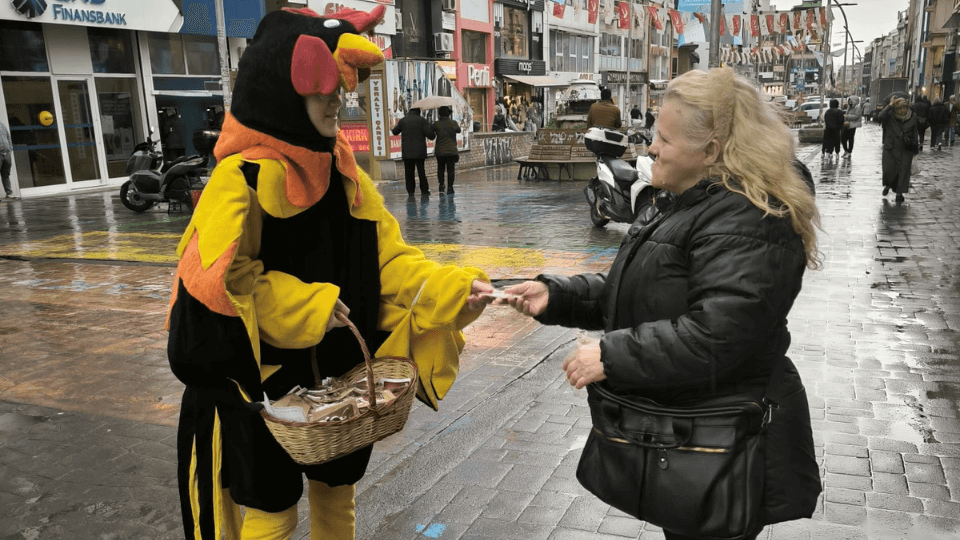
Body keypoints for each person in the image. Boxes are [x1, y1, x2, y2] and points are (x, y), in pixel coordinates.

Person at [165, 7, 494, 540]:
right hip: (264, 387)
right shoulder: (240, 179)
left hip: (336, 382)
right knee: (272, 511)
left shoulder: (342, 170)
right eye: (326, 92)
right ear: (283, 94)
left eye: (341, 91)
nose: (340, 102)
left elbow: (389, 259)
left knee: (337, 495)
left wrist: (456, 289)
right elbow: (221, 285)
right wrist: (308, 306)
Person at [496, 67, 821, 540]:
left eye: (664, 140)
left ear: (710, 151)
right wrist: (557, 295)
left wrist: (611, 355)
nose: (650, 148)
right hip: (688, 430)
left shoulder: (750, 216)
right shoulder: (685, 200)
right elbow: (638, 291)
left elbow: (717, 336)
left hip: (723, 439)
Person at [879, 96, 919, 203]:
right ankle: (888, 185)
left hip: (906, 148)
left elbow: (915, 132)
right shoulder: (890, 115)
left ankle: (899, 194)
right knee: (889, 170)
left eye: (904, 108)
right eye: (900, 108)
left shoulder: (913, 116)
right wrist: (890, 105)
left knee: (903, 172)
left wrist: (916, 147)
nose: (902, 110)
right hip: (891, 148)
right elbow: (880, 116)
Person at [391, 107, 435, 197]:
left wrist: (392, 127)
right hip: (420, 152)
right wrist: (431, 128)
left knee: (408, 172)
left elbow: (395, 132)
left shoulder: (403, 121)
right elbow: (431, 136)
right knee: (421, 171)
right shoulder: (422, 121)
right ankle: (424, 190)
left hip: (407, 152)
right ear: (418, 112)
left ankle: (410, 191)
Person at [432, 105, 461, 195]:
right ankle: (450, 187)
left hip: (440, 151)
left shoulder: (436, 124)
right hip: (451, 151)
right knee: (451, 170)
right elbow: (458, 130)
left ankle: (441, 186)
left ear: (439, 114)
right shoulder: (453, 123)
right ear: (448, 114)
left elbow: (431, 134)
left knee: (440, 169)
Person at [0, 120, 14, 199]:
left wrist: (10, 149)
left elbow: (8, 137)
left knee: (6, 174)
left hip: (6, 154)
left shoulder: (2, 125)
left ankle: (9, 194)